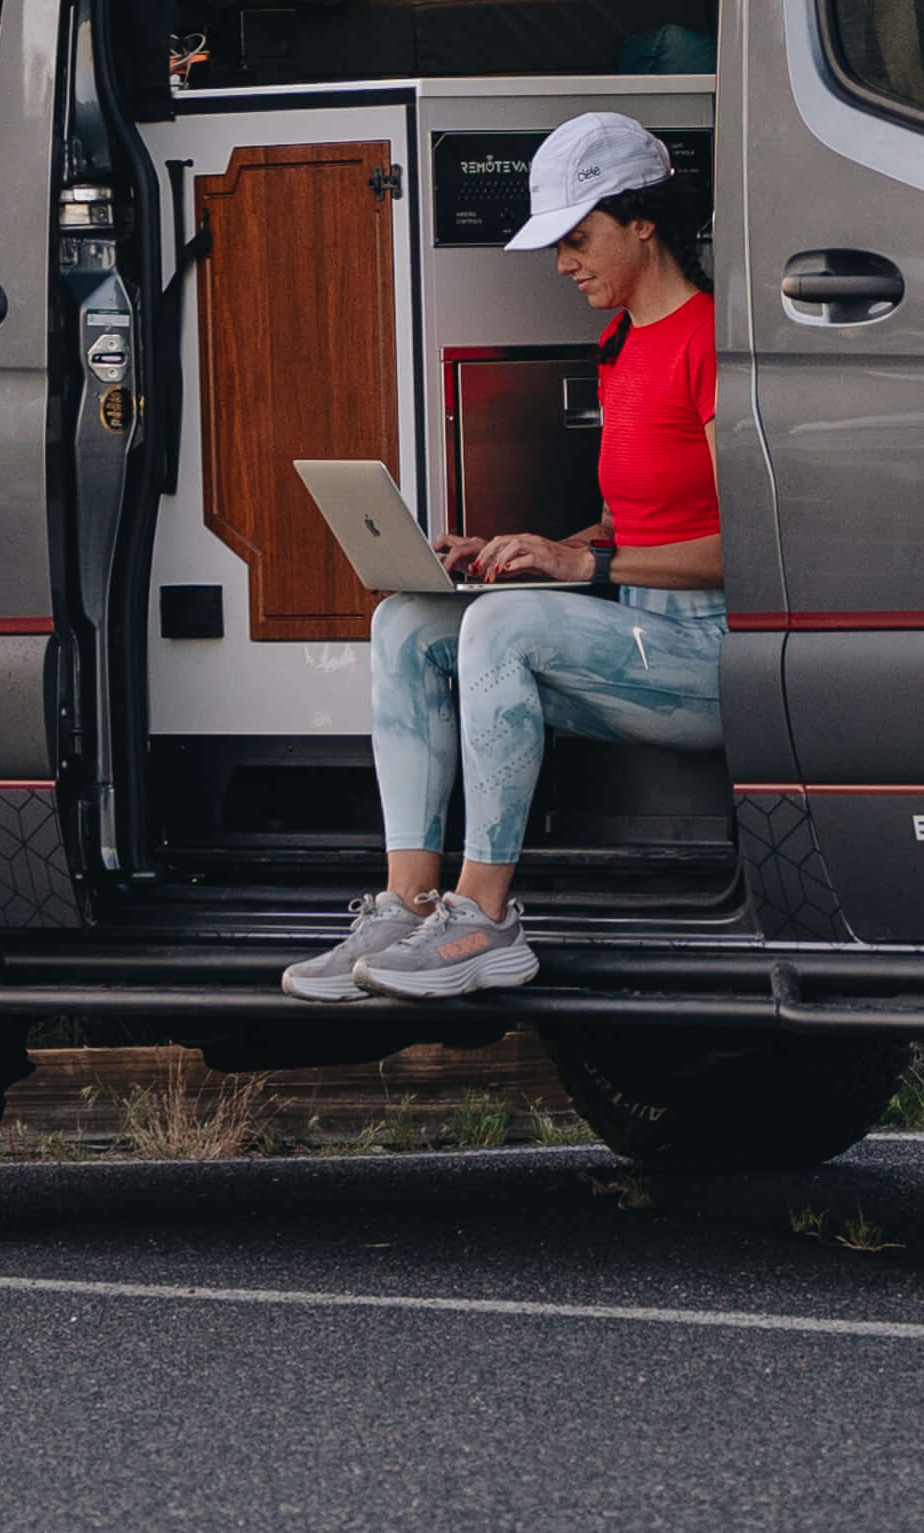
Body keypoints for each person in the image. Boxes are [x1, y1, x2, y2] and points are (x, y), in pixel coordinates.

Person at [285, 110, 725, 1002]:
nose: (562, 262)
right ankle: (408, 910)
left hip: (713, 654)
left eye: (577, 237)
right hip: (636, 638)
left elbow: (755, 550)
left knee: (503, 627)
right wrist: (531, 549)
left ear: (644, 220)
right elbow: (629, 524)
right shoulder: (623, 344)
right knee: (407, 619)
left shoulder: (710, 339)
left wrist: (578, 573)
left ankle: (483, 918)